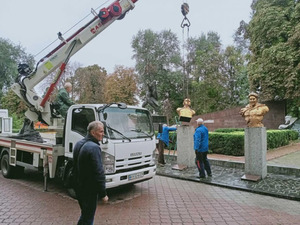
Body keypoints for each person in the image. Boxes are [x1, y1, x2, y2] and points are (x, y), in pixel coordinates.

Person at [73, 121, 109, 225]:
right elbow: (99, 172)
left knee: (85, 214)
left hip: (78, 186)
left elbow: (75, 166)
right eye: (101, 131)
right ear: (93, 133)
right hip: (89, 190)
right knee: (88, 217)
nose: (103, 134)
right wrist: (103, 194)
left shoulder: (79, 143)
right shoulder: (94, 147)